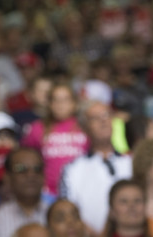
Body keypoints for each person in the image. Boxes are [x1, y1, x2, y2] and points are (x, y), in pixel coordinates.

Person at [59, 100, 133, 236]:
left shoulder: (131, 163)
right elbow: (67, 210)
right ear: (84, 127)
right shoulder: (72, 169)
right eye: (95, 118)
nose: (103, 121)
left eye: (106, 115)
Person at [21, 82, 89, 195]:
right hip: (48, 192)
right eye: (56, 100)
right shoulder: (37, 129)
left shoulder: (86, 127)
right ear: (49, 104)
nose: (60, 104)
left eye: (65, 100)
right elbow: (26, 158)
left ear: (74, 103)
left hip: (82, 189)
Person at [0, 147, 50, 237]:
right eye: (21, 169)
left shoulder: (57, 216)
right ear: (7, 177)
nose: (31, 175)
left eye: (37, 169)